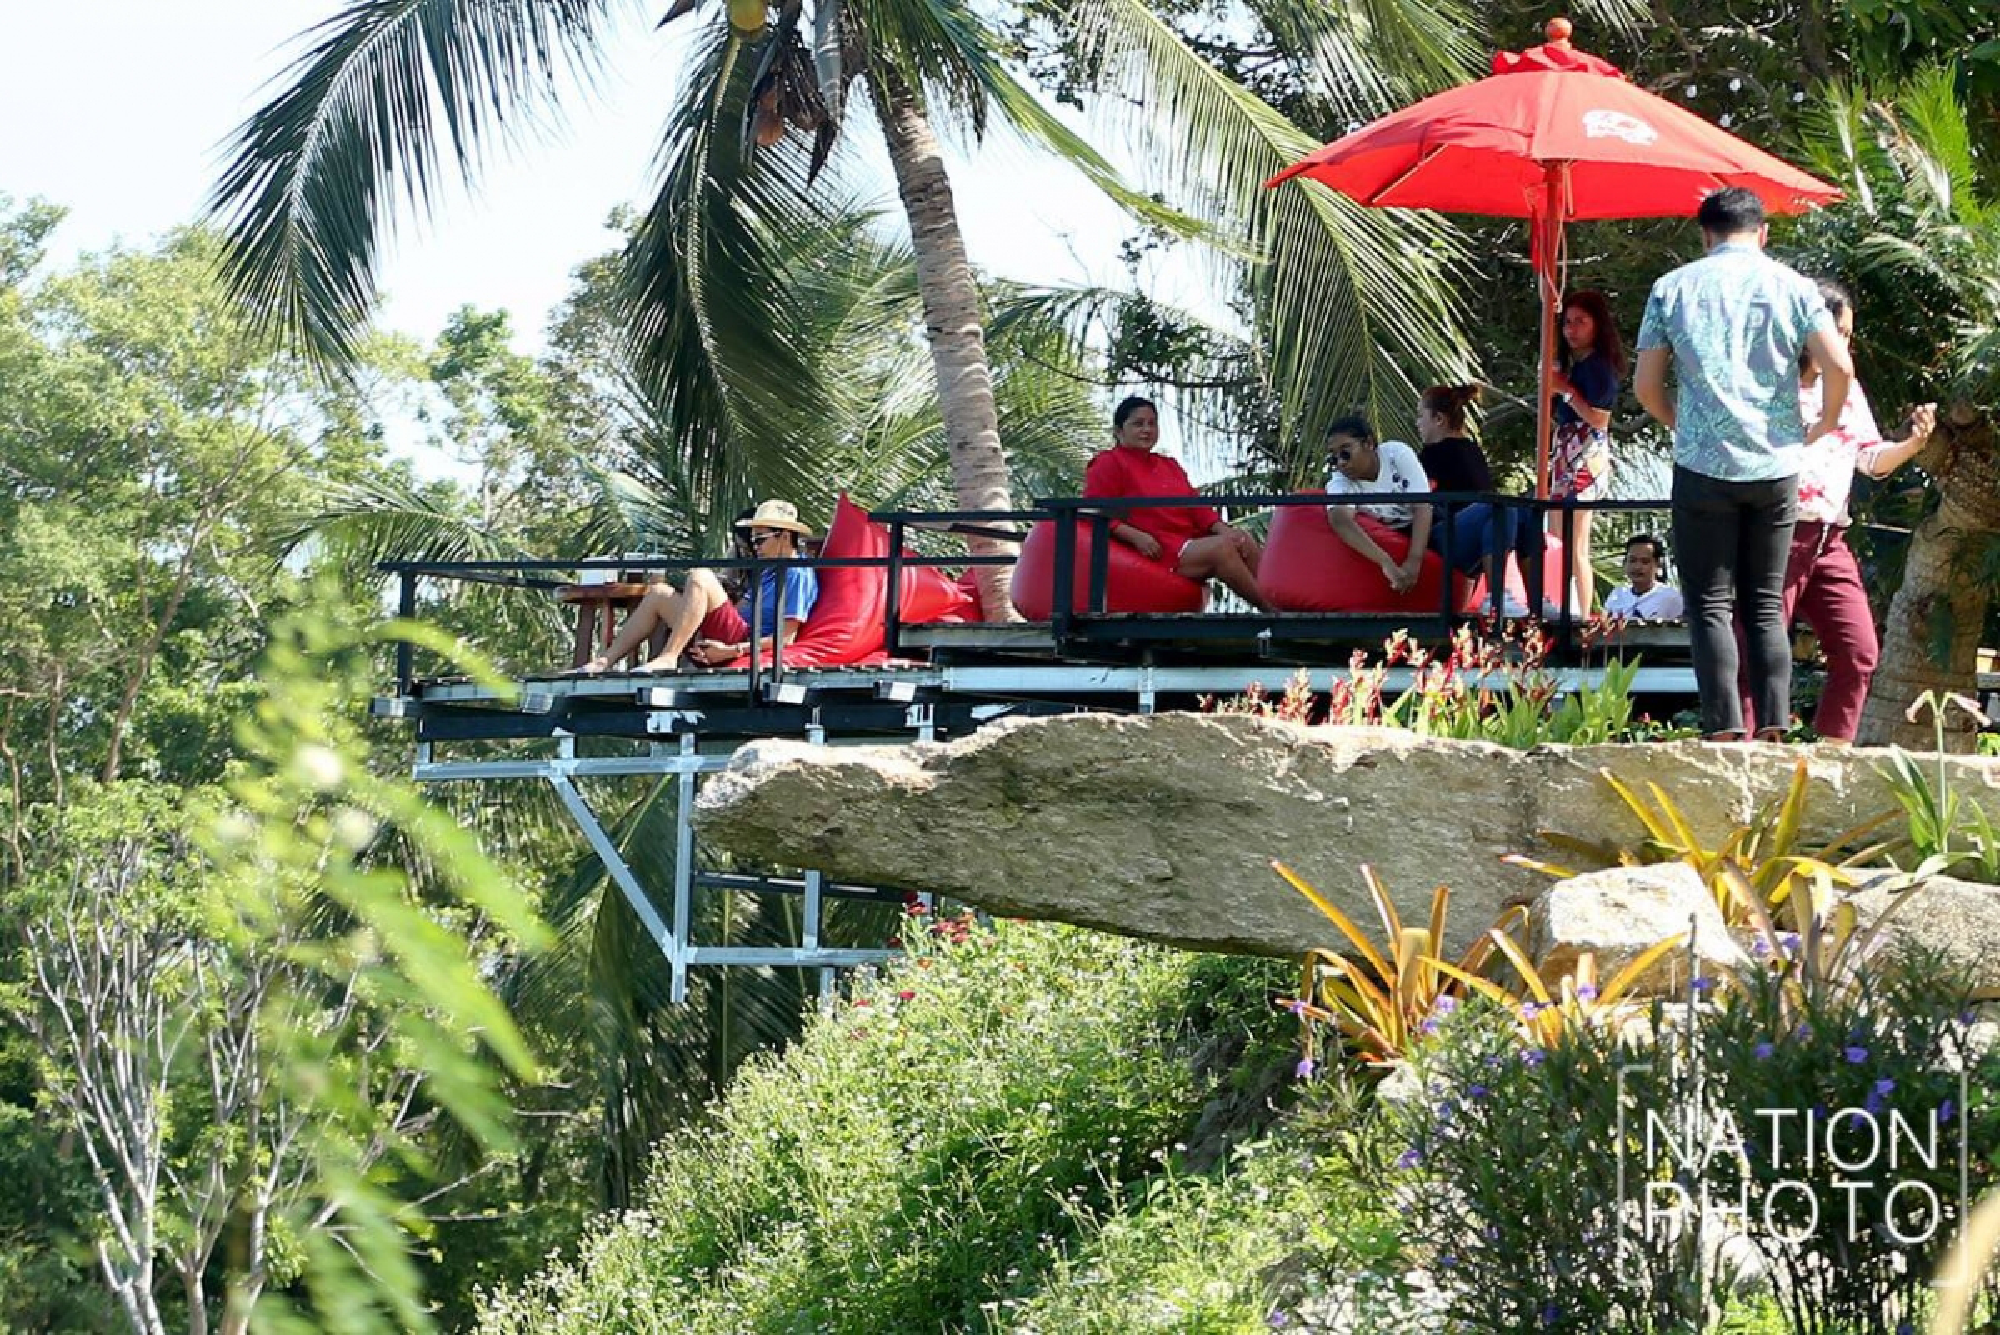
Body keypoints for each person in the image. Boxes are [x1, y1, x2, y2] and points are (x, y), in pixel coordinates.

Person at [1634, 186, 1853, 740]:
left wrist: (1681, 424)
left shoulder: (1671, 288)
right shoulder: (1796, 287)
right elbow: (1839, 367)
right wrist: (1822, 425)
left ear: (1704, 235)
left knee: (1709, 604)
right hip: (1775, 465)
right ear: (1763, 233)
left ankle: (1724, 729)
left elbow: (1645, 385)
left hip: (1702, 467)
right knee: (1764, 602)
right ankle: (1775, 725)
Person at [1738, 279, 1936, 744]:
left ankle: (1831, 754)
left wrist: (1912, 444)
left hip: (1829, 539)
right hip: (1776, 532)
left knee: (1859, 651)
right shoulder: (1767, 383)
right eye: (1838, 332)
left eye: (1848, 335)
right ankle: (1748, 748)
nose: (1844, 344)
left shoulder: (1846, 389)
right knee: (1758, 651)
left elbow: (1870, 459)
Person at [573, 499, 819, 673]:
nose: (755, 547)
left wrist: (730, 651)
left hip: (743, 641)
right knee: (659, 593)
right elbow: (741, 609)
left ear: (784, 537)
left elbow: (786, 639)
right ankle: (603, 662)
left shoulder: (796, 573)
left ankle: (669, 656)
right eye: (753, 541)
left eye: (760, 540)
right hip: (731, 633)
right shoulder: (768, 570)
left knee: (701, 575)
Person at [1085, 395, 1273, 611]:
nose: (1147, 430)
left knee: (1241, 539)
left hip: (1186, 541)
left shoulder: (1169, 465)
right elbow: (1095, 512)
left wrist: (1224, 529)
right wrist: (1136, 537)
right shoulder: (1108, 462)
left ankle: (1282, 603)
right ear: (1119, 431)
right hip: (1154, 548)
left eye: (1152, 423)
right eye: (1138, 424)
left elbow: (1195, 507)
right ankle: (1271, 611)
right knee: (1221, 548)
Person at [1412, 384, 1533, 618]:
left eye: (1420, 416)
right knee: (1497, 507)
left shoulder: (1463, 451)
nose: (1417, 423)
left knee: (1527, 512)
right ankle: (1497, 596)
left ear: (1438, 419)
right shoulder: (1431, 456)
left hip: (1470, 532)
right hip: (1443, 534)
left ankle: (1536, 601)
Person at [1547, 289, 1627, 615]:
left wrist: (1565, 390)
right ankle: (1558, 603)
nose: (1572, 330)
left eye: (1581, 322)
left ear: (1596, 324)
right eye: (1568, 323)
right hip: (1566, 450)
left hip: (1586, 451)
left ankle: (1580, 611)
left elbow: (1599, 419)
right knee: (1556, 535)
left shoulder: (1600, 367)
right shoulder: (1574, 366)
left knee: (1577, 540)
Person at [1602, 533, 1684, 620]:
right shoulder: (1617, 594)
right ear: (1625, 563)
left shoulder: (1671, 597)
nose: (1637, 567)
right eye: (1632, 560)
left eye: (1645, 562)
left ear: (1657, 565)